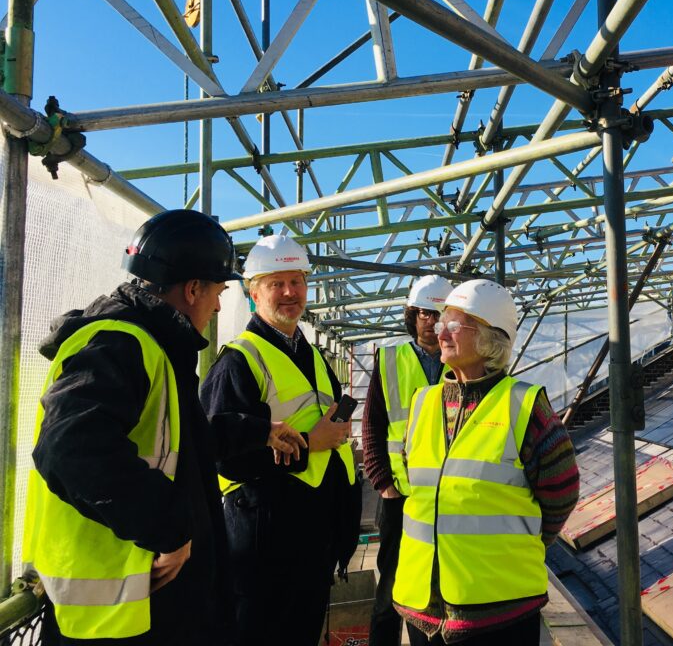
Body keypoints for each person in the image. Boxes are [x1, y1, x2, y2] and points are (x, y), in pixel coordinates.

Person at [23, 209, 242, 645]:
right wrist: (170, 528)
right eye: (217, 291)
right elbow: (70, 448)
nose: (219, 305)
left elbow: (185, 448)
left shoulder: (156, 345)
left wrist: (257, 433)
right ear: (194, 289)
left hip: (143, 604)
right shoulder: (120, 342)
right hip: (116, 616)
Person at [393, 279, 580, 646]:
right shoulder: (422, 403)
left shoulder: (525, 406)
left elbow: (561, 491)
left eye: (455, 324)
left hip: (499, 611)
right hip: (423, 608)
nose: (439, 330)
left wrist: (518, 544)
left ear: (490, 341)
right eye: (442, 320)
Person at [200, 234, 361, 646]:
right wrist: (311, 441)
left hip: (310, 542)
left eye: (297, 281)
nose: (290, 292)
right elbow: (221, 456)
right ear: (254, 292)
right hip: (265, 549)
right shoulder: (238, 360)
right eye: (276, 283)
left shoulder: (313, 356)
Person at [363, 275, 453, 646]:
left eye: (439, 314)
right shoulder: (390, 360)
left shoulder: (461, 360)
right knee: (391, 586)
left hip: (446, 498)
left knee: (439, 586)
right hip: (400, 497)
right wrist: (383, 484)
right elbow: (372, 425)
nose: (431, 322)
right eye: (423, 314)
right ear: (412, 316)